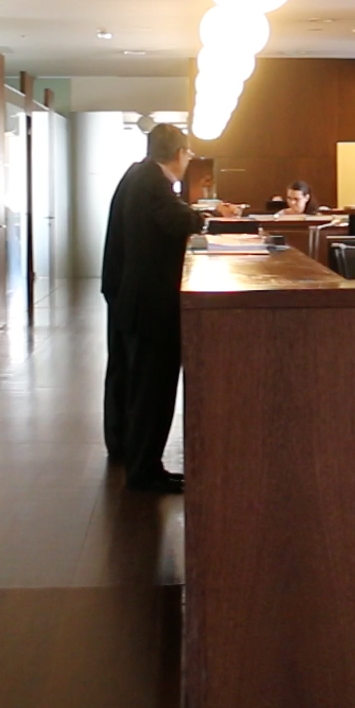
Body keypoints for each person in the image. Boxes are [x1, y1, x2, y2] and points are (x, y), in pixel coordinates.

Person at [104, 124, 219, 493]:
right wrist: (204, 216)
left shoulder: (138, 174)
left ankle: (129, 452)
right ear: (180, 153)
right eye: (189, 154)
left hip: (132, 296)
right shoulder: (154, 182)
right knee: (152, 389)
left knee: (133, 381)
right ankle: (144, 471)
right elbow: (178, 219)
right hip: (150, 303)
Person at [98, 157, 146, 466]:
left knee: (120, 364)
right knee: (124, 365)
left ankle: (119, 440)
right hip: (124, 288)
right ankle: (120, 441)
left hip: (119, 284)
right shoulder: (146, 181)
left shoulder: (136, 176)